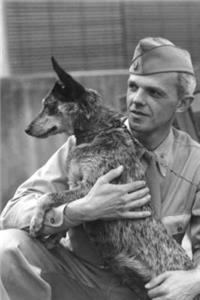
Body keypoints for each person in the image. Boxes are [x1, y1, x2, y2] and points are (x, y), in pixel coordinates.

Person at [0, 37, 200, 300]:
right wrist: (78, 210)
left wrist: (194, 280)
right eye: (133, 87)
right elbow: (11, 213)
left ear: (183, 103)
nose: (137, 100)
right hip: (83, 279)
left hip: (149, 287)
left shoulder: (195, 161)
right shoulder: (84, 145)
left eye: (154, 92)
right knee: (7, 246)